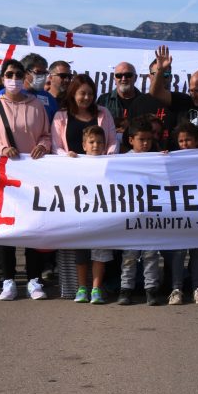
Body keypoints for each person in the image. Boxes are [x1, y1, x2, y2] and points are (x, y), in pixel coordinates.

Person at [0, 58, 52, 301]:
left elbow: (47, 135)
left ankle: (33, 279)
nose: (14, 78)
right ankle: (8, 279)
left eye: (18, 74)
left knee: (32, 228)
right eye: (9, 74)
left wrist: (42, 145)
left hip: (31, 177)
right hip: (4, 176)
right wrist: (1, 149)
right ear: (3, 76)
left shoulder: (36, 106)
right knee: (7, 229)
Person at [117, 116, 165, 306]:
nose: (145, 143)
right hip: (131, 216)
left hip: (151, 216)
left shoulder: (157, 158)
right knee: (129, 256)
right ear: (131, 140)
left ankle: (151, 290)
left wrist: (167, 159)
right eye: (141, 139)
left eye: (148, 139)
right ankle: (126, 289)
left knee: (151, 255)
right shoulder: (122, 161)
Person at [165, 123, 198, 305]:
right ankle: (176, 289)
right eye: (181, 141)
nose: (184, 144)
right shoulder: (172, 158)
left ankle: (197, 288)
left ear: (197, 140)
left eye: (188, 140)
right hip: (179, 211)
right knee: (178, 251)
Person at [72, 125, 115, 305]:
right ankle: (82, 288)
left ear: (105, 145)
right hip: (81, 217)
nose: (95, 145)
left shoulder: (110, 162)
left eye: (99, 142)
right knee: (81, 255)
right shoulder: (76, 162)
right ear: (84, 145)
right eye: (91, 142)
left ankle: (96, 288)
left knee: (100, 254)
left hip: (102, 217)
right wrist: (69, 160)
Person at [52, 74, 119, 156]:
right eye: (82, 93)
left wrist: (110, 155)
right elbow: (56, 147)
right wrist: (66, 155)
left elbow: (113, 141)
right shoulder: (60, 116)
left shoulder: (104, 113)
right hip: (70, 165)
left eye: (90, 94)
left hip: (99, 165)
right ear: (73, 94)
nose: (87, 97)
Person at [20, 53, 60, 120]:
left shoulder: (48, 98)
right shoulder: (9, 94)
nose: (42, 76)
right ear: (25, 73)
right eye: (38, 72)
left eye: (44, 73)